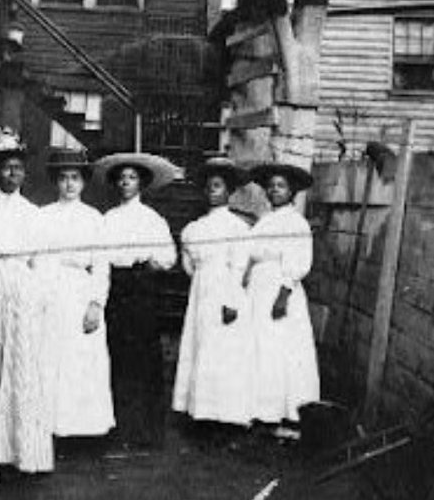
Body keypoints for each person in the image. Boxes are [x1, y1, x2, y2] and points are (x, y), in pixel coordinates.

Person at [0, 128, 53, 475]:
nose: (12, 173)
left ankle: (23, 450)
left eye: (18, 168)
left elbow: (43, 262)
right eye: (6, 167)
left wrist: (36, 298)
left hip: (23, 290)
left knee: (22, 366)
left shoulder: (34, 214)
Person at [95, 152, 179, 449]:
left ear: (141, 183)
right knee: (118, 354)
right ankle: (120, 427)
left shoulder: (152, 219)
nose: (126, 183)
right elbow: (100, 256)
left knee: (144, 356)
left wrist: (147, 266)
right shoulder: (108, 219)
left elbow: (169, 257)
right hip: (117, 288)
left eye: (131, 178)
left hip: (142, 289)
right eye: (121, 178)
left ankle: (146, 430)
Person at [172, 157, 258, 429]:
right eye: (208, 186)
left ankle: (226, 415)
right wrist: (202, 278)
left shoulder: (237, 227)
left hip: (226, 290)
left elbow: (240, 266)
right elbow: (188, 265)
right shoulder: (194, 228)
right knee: (200, 347)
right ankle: (201, 412)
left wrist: (231, 299)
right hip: (201, 292)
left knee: (223, 350)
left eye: (218, 186)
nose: (212, 190)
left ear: (229, 191)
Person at [36, 147, 114, 445]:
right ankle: (52, 426)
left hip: (81, 291)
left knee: (81, 359)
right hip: (51, 290)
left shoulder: (94, 218)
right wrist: (41, 296)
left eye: (75, 178)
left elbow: (102, 265)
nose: (69, 184)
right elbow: (38, 260)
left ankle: (84, 428)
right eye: (63, 178)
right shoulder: (43, 216)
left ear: (83, 182)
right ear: (56, 181)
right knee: (51, 358)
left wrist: (95, 303)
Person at [245, 162, 321, 437]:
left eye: (281, 186)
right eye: (271, 186)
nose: (275, 190)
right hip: (258, 288)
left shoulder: (295, 222)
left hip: (279, 289)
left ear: (292, 192)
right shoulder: (265, 220)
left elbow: (299, 261)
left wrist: (283, 295)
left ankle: (286, 412)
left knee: (280, 347)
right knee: (259, 347)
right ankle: (260, 409)